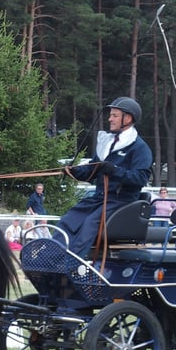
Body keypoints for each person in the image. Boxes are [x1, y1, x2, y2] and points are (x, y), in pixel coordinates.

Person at [55, 97, 152, 257]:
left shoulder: (139, 148)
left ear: (127, 118)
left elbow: (140, 178)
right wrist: (74, 171)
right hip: (99, 199)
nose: (110, 119)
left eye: (114, 115)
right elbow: (92, 171)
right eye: (110, 115)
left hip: (121, 202)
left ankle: (73, 262)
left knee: (89, 224)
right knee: (69, 218)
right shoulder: (107, 144)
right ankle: (52, 257)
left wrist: (114, 170)